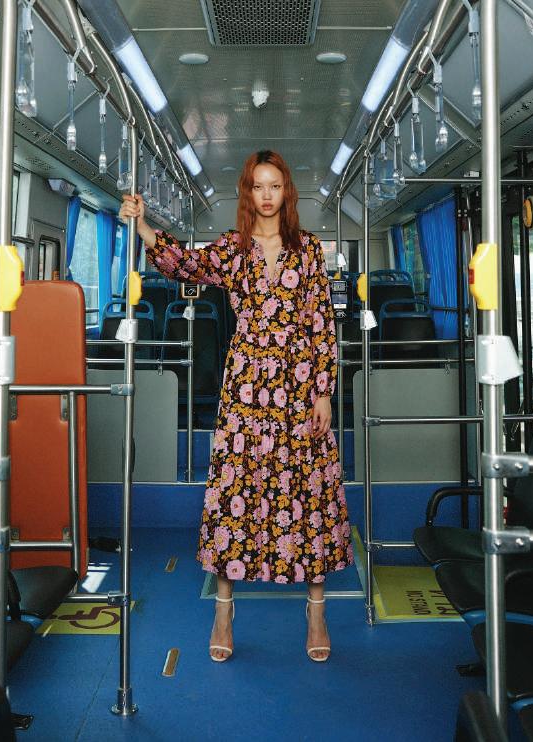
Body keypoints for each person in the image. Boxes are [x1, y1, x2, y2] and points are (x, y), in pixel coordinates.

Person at [119, 150, 353, 664]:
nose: (267, 195)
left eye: (275, 186)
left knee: (308, 491)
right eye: (257, 186)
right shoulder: (232, 248)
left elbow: (320, 325)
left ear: (286, 192)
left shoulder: (309, 251)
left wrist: (323, 391)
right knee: (235, 493)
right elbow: (185, 264)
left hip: (297, 386)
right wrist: (143, 228)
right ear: (247, 193)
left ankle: (316, 611)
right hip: (246, 386)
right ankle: (223, 611)